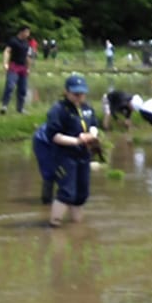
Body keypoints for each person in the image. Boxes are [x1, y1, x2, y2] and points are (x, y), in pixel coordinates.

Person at [42, 75, 99, 226]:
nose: (79, 97)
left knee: (82, 193)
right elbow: (54, 136)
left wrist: (92, 135)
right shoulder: (59, 110)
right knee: (67, 191)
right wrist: (77, 140)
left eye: (81, 93)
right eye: (75, 94)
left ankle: (77, 225)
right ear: (66, 92)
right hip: (64, 156)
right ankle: (54, 224)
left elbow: (94, 124)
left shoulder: (87, 108)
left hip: (83, 155)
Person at [1, 25, 32, 114]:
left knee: (23, 89)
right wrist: (5, 63)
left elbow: (28, 57)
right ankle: (4, 106)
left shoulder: (27, 43)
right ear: (22, 32)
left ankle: (20, 108)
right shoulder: (13, 41)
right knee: (10, 86)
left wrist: (28, 68)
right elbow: (7, 51)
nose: (28, 34)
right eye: (27, 32)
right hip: (14, 66)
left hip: (23, 67)